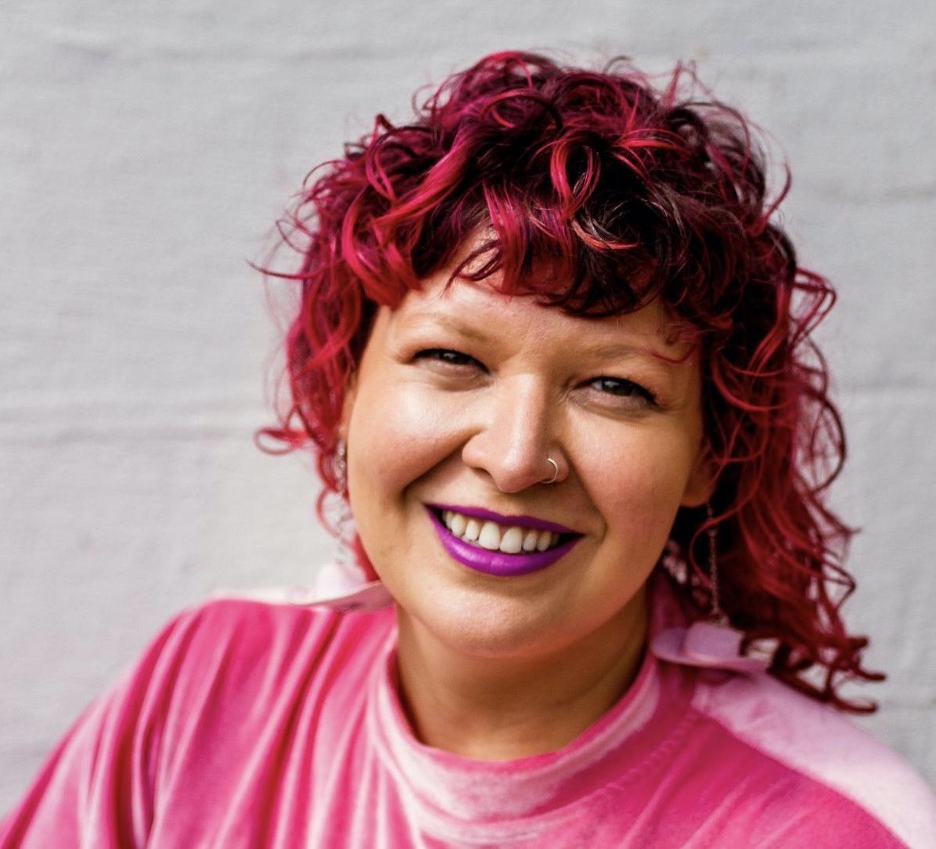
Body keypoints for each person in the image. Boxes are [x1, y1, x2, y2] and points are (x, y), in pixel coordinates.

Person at [2, 51, 934, 848]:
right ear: (349, 386)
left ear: (707, 453)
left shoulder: (832, 827)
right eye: (451, 357)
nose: (516, 456)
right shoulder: (206, 686)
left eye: (615, 385)